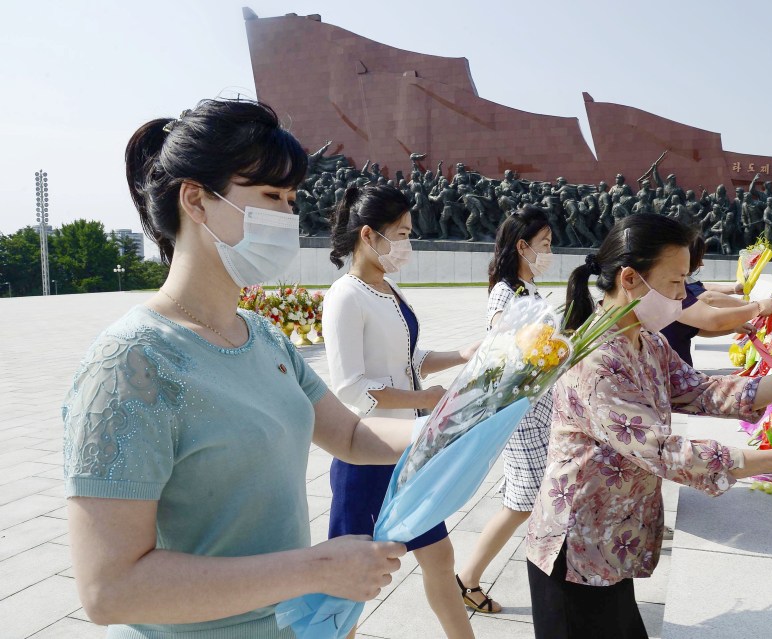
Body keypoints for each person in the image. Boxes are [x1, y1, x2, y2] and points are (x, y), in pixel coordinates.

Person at [63, 99, 409, 638]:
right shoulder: (130, 364)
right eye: (271, 196)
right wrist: (316, 569)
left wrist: (459, 425)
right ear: (196, 199)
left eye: (293, 200)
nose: (288, 217)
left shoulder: (261, 334)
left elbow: (351, 433)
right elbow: (109, 589)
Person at [525, 214, 772, 639]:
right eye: (676, 284)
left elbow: (699, 389)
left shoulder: (646, 338)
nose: (682, 297)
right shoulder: (596, 359)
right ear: (630, 279)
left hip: (608, 536)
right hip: (576, 545)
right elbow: (662, 450)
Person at [323, 184, 478, 639]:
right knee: (353, 581)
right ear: (369, 235)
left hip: (408, 452)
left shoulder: (386, 288)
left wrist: (461, 354)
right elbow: (353, 387)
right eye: (402, 233)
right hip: (367, 456)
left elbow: (406, 356)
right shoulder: (345, 296)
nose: (408, 244)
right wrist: (423, 402)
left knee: (439, 557)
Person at [456, 207, 555, 614]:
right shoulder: (506, 292)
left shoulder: (529, 290)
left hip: (540, 406)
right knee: (522, 503)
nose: (550, 251)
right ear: (522, 246)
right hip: (521, 410)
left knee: (531, 499)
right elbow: (504, 342)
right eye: (545, 244)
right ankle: (466, 580)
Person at [661, 235, 772, 366]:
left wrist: (733, 327)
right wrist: (757, 307)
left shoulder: (676, 285)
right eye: (698, 257)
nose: (701, 263)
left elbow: (694, 328)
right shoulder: (669, 291)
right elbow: (710, 312)